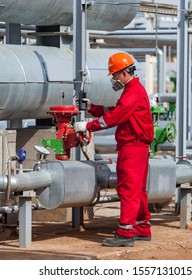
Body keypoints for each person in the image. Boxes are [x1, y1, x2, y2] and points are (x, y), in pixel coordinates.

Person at [74, 52, 154, 247]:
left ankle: (126, 233)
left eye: (115, 75)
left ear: (124, 73)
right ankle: (142, 228)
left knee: (128, 189)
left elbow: (115, 117)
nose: (114, 79)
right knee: (138, 190)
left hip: (132, 147)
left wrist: (87, 126)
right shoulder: (132, 91)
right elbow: (114, 110)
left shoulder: (133, 92)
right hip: (138, 147)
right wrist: (92, 107)